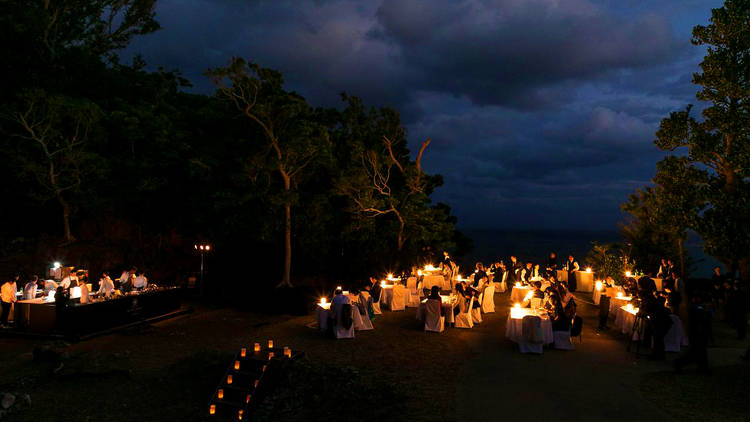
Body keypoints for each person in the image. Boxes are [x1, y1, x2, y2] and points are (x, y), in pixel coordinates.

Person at [675, 292, 711, 373]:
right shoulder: (694, 307)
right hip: (697, 332)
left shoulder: (695, 307)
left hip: (698, 332)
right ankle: (680, 363)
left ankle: (702, 367)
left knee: (698, 351)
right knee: (697, 351)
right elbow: (698, 319)